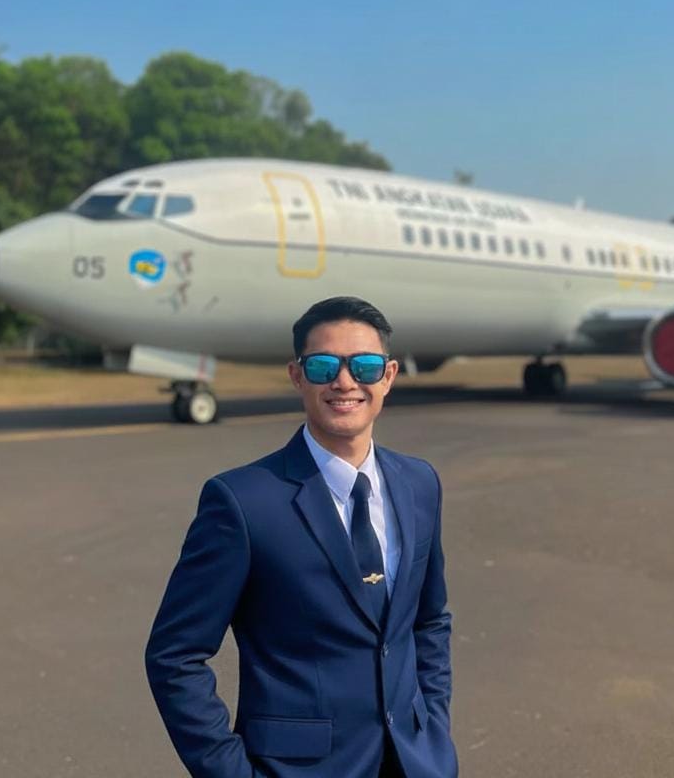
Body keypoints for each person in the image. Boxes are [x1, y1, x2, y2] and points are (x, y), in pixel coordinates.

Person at [145, 295, 458, 778]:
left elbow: (429, 621)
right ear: (296, 375)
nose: (345, 382)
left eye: (366, 366)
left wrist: (432, 723)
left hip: (417, 761)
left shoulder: (420, 483)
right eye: (323, 366)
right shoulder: (243, 502)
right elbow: (175, 656)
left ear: (389, 376)